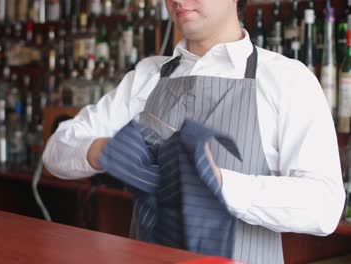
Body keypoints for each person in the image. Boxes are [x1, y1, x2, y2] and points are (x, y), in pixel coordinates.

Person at [43, 0, 345, 263]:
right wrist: (104, 150)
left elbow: (325, 205)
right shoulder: (147, 75)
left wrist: (219, 183)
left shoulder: (288, 80)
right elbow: (56, 150)